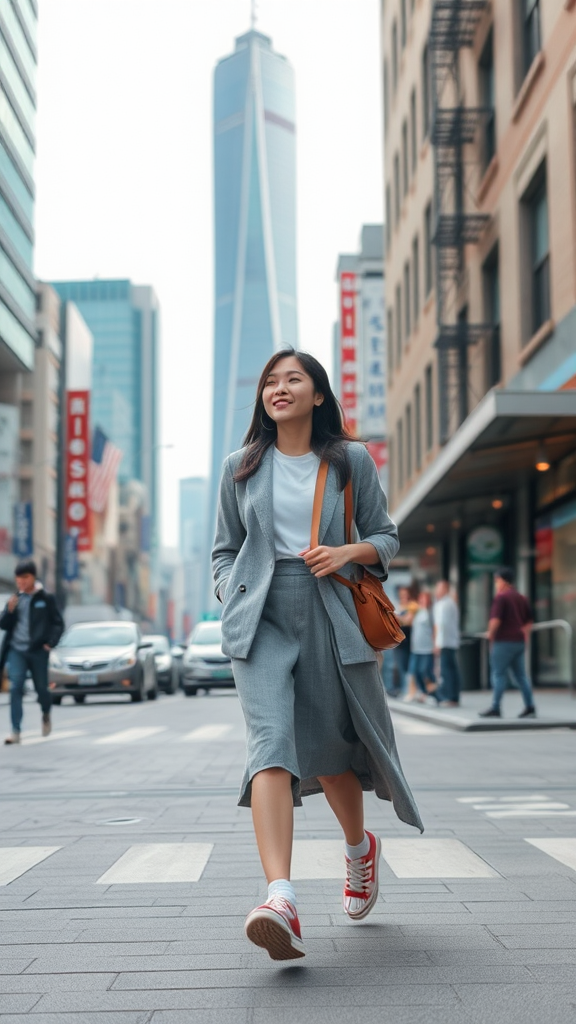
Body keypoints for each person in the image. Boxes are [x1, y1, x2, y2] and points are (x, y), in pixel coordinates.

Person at [212, 349, 423, 961]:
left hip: (331, 610)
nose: (280, 388)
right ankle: (280, 897)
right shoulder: (241, 466)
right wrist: (232, 591)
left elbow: (385, 536)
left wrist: (345, 553)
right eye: (270, 380)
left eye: (293, 379)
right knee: (271, 744)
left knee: (331, 753)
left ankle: (359, 851)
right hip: (260, 616)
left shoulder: (350, 459)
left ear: (318, 394)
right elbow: (224, 551)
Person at [1, 559, 64, 745]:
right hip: (16, 650)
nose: (21, 582)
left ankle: (45, 713)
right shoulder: (15, 599)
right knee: (15, 688)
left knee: (41, 689)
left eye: (25, 578)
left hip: (38, 651)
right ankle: (16, 731)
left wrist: (50, 643)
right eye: (18, 578)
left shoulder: (46, 598)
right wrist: (9, 611)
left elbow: (58, 623)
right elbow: (3, 624)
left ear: (33, 577)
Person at [479, 566, 536, 719]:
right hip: (519, 641)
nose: (496, 584)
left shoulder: (501, 597)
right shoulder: (521, 597)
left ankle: (495, 707)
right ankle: (530, 706)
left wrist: (490, 634)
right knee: (521, 676)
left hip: (503, 641)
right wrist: (525, 637)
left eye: (496, 580)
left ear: (502, 581)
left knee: (498, 674)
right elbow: (529, 621)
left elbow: (496, 620)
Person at [433, 580, 462, 707]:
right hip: (451, 641)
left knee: (446, 671)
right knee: (452, 670)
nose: (437, 591)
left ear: (445, 589)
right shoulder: (451, 603)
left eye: (439, 588)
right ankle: (454, 696)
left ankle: (449, 697)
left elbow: (442, 625)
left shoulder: (444, 604)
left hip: (445, 642)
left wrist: (438, 643)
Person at [407, 591, 436, 702]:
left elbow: (434, 628)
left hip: (427, 648)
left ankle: (433, 694)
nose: (422, 600)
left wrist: (435, 644)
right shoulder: (416, 611)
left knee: (426, 671)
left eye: (425, 598)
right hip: (416, 648)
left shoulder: (430, 612)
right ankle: (423, 692)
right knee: (416, 672)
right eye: (421, 598)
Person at [392, 586, 418, 698]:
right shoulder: (398, 605)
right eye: (401, 594)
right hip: (399, 640)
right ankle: (402, 689)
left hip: (409, 639)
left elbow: (408, 621)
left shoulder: (412, 606)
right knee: (400, 665)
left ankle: (410, 691)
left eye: (405, 594)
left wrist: (397, 618)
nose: (403, 596)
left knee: (408, 666)